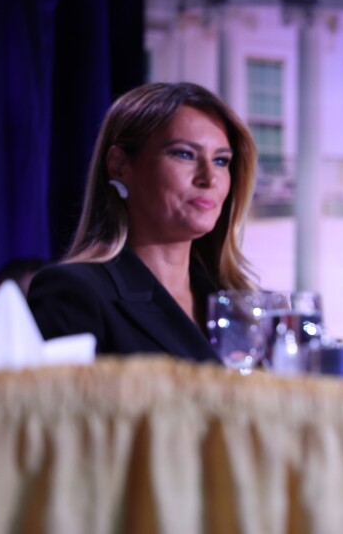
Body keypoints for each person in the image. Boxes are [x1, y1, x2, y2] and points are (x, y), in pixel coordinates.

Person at [28, 82, 258, 362]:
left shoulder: (241, 302)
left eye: (221, 161)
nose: (209, 178)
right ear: (119, 165)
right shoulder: (73, 293)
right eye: (184, 154)